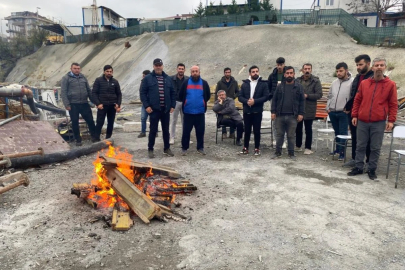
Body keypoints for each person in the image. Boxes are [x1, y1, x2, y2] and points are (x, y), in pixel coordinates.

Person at [348, 58, 398, 180]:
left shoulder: (390, 85)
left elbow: (393, 104)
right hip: (363, 121)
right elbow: (357, 100)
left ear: (385, 67)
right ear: (372, 68)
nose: (379, 67)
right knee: (360, 145)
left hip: (378, 122)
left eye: (381, 65)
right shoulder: (364, 83)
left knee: (375, 147)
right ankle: (359, 167)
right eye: (376, 65)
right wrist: (354, 115)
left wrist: (391, 120)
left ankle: (371, 169)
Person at [140, 58, 176, 158]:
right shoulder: (148, 78)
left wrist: (172, 105)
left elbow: (173, 93)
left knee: (166, 130)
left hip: (165, 110)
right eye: (156, 65)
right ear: (153, 66)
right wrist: (146, 106)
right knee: (153, 130)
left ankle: (166, 148)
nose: (158, 67)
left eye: (160, 65)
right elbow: (142, 93)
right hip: (154, 110)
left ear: (162, 66)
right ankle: (150, 149)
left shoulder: (168, 78)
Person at [343, 55, 374, 168]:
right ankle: (355, 159)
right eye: (357, 65)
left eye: (360, 64)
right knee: (355, 136)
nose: (358, 67)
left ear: (368, 64)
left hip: (366, 113)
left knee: (367, 139)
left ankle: (368, 162)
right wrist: (349, 107)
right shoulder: (357, 77)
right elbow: (354, 95)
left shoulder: (373, 78)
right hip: (354, 113)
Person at [271, 66, 305, 160]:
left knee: (291, 135)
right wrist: (273, 112)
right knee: (279, 135)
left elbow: (302, 101)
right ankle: (278, 152)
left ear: (294, 74)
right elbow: (274, 100)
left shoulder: (298, 87)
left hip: (292, 116)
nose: (289, 75)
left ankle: (291, 153)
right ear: (284, 74)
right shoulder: (280, 87)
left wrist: (301, 113)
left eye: (291, 73)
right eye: (287, 73)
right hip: (280, 115)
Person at [61, 62, 97, 146]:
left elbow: (88, 90)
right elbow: (63, 92)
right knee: (74, 122)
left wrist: (94, 101)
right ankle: (78, 140)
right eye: (75, 68)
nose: (77, 70)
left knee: (90, 120)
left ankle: (94, 136)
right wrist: (67, 104)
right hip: (73, 104)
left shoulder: (83, 77)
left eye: (78, 69)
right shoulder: (66, 78)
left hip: (84, 103)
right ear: (71, 69)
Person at [178, 65, 211, 155]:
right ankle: (184, 148)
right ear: (190, 72)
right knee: (186, 131)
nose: (195, 73)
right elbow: (181, 95)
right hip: (188, 112)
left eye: (196, 71)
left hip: (200, 112)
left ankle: (200, 148)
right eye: (193, 71)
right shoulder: (185, 83)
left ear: (199, 72)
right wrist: (187, 102)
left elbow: (207, 96)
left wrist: (202, 103)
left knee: (200, 132)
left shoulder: (204, 83)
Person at [238, 65, 269, 156]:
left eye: (256, 71)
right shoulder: (245, 84)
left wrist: (255, 101)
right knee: (247, 130)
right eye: (253, 72)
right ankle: (245, 148)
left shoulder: (263, 84)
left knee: (256, 131)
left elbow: (266, 96)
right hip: (247, 111)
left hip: (257, 111)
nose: (255, 73)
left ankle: (257, 148)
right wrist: (247, 101)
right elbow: (240, 97)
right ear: (250, 73)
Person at [326, 62, 353, 161]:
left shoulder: (352, 82)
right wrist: (328, 108)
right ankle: (337, 150)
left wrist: (349, 109)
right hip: (333, 111)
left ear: (346, 70)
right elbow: (329, 95)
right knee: (337, 132)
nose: (338, 73)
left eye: (341, 71)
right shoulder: (334, 82)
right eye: (337, 71)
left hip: (343, 112)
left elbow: (353, 97)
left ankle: (342, 153)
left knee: (343, 132)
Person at [295, 63, 322, 155]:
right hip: (298, 108)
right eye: (305, 68)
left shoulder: (315, 81)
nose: (307, 70)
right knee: (298, 128)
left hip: (310, 107)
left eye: (309, 68)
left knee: (308, 129)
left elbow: (319, 94)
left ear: (311, 70)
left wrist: (308, 95)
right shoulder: (297, 80)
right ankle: (298, 145)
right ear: (302, 70)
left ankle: (308, 147)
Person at [92, 65, 122, 141]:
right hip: (102, 106)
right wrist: (98, 103)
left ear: (112, 72)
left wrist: (118, 104)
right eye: (107, 71)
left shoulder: (115, 81)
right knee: (99, 122)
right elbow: (94, 93)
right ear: (104, 72)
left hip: (112, 106)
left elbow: (119, 94)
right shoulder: (98, 80)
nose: (109, 73)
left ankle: (108, 138)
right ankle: (96, 138)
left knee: (111, 123)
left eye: (110, 71)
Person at [215, 67, 240, 139]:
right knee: (223, 115)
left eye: (229, 72)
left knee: (232, 116)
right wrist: (218, 102)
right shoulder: (220, 82)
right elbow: (217, 92)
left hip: (231, 102)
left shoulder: (234, 82)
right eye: (226, 72)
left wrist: (233, 97)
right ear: (224, 73)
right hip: (222, 102)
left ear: (230, 73)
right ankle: (224, 132)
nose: (227, 74)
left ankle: (232, 133)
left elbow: (238, 91)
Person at [169, 63, 189, 145]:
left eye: (182, 69)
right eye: (179, 68)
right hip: (175, 102)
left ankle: (185, 138)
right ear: (177, 69)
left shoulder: (188, 79)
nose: (181, 70)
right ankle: (172, 137)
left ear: (184, 70)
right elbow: (169, 91)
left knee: (185, 121)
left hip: (185, 102)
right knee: (173, 120)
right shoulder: (171, 79)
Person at [138, 70, 157, 138]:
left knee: (153, 118)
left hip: (153, 103)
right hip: (145, 104)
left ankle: (155, 132)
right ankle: (143, 132)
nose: (143, 77)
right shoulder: (142, 82)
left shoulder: (153, 82)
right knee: (143, 118)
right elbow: (141, 93)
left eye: (144, 75)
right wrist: (144, 101)